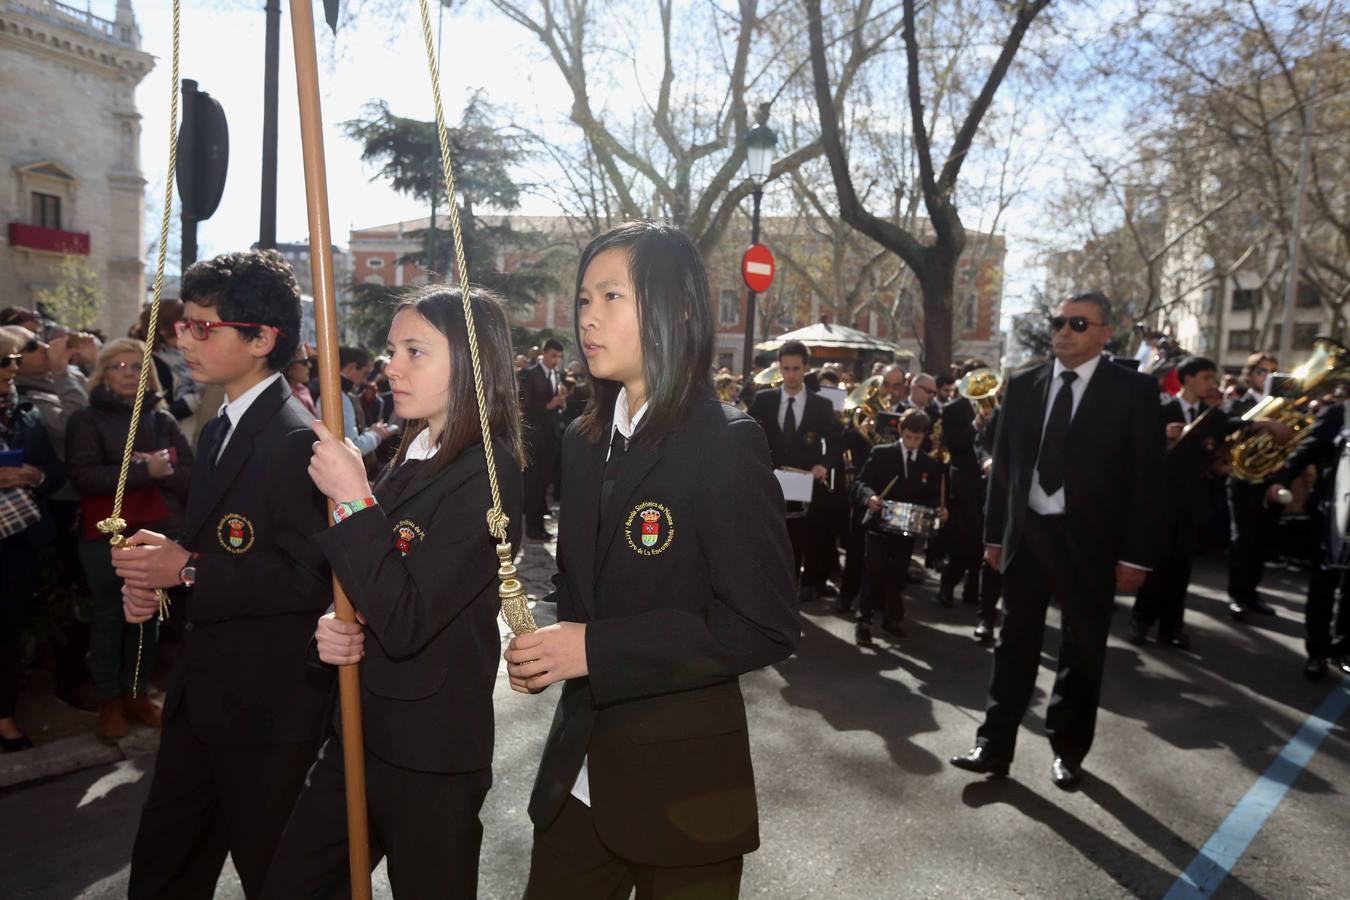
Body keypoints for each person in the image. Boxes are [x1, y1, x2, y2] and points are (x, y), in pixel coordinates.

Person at [504, 221, 799, 900]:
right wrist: (546, 641)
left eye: (612, 297)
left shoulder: (725, 443)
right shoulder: (583, 442)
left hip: (686, 797)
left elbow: (764, 624)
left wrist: (594, 650)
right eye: (583, 300)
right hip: (577, 781)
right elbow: (588, 598)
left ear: (678, 310)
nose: (589, 318)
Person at [262, 287, 524, 898]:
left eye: (415, 351)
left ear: (472, 361)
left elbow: (407, 616)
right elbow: (379, 580)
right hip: (360, 724)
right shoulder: (415, 452)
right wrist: (336, 621)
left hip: (429, 748)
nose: (392, 366)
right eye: (390, 350)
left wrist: (354, 499)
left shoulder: (489, 470)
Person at [111, 249, 334, 899]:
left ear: (263, 339)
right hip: (200, 699)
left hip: (268, 713)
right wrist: (163, 566)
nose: (185, 338)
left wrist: (192, 569)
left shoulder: (302, 441)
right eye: (185, 325)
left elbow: (311, 581)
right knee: (162, 871)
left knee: (278, 878)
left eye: (205, 328)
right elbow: (216, 548)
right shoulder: (217, 429)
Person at [951, 291, 1164, 790]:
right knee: (1013, 644)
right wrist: (993, 535)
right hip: (1029, 534)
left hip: (1091, 541)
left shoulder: (1132, 391)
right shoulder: (1024, 383)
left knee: (1082, 649)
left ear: (1105, 332)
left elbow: (1148, 481)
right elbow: (1004, 468)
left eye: (1078, 323)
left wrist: (1137, 555)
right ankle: (993, 746)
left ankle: (1069, 750)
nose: (1064, 331)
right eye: (1058, 322)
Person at [65, 339, 194, 741]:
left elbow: (191, 475)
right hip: (105, 531)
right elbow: (84, 477)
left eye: (136, 365)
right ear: (102, 372)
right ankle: (110, 700)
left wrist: (162, 471)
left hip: (157, 528)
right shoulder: (85, 420)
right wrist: (144, 471)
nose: (126, 371)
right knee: (109, 615)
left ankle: (137, 693)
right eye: (117, 364)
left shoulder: (162, 419)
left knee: (148, 616)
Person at [1128, 356, 1223, 650]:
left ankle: (1172, 627)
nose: (1211, 384)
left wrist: (1220, 464)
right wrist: (1164, 437)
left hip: (1192, 502)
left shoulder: (1213, 415)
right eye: (1206, 377)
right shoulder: (1161, 410)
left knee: (1182, 567)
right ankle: (1141, 620)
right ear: (1187, 379)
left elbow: (1215, 453)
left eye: (1212, 378)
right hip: (1160, 501)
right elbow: (1136, 449)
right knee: (1155, 563)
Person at [0, 326, 65, 753]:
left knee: (7, 630)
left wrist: (35, 476)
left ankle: (4, 715)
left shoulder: (27, 411)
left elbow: (55, 473)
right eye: (6, 361)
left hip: (16, 542)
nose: (13, 370)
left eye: (14, 362)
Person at [1266, 396, 1350, 680]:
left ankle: (1343, 647)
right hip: (1331, 514)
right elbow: (1305, 451)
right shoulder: (1339, 414)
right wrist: (1281, 479)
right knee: (1323, 583)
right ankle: (1318, 651)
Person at [749, 340, 837, 602]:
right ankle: (766, 596)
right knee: (767, 541)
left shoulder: (821, 405)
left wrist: (824, 464)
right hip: (769, 483)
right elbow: (746, 431)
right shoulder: (765, 399)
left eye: (796, 369)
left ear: (806, 368)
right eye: (786, 369)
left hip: (802, 485)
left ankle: (793, 595)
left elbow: (835, 441)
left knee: (797, 543)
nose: (790, 375)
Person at [852, 409, 945, 644]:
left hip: (906, 529)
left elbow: (932, 496)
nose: (912, 443)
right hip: (879, 525)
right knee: (873, 571)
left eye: (917, 439)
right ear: (902, 431)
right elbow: (861, 482)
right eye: (908, 437)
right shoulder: (882, 453)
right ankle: (864, 620)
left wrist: (940, 509)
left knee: (897, 574)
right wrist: (870, 497)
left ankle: (892, 619)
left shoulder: (928, 463)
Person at [1225, 351, 1287, 619]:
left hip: (1269, 482)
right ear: (1250, 375)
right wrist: (1260, 423)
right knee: (1244, 541)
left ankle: (1252, 593)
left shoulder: (1285, 405)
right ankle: (1237, 596)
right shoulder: (1239, 402)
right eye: (1261, 371)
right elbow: (1226, 428)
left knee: (1263, 541)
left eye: (1272, 372)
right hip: (1242, 481)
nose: (1267, 377)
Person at [520, 337, 566, 540]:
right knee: (533, 483)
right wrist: (550, 404)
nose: (556, 360)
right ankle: (532, 527)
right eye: (554, 356)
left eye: (559, 357)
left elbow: (556, 405)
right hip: (534, 437)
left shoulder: (557, 374)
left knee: (543, 483)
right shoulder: (529, 374)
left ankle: (539, 525)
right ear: (545, 353)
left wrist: (561, 402)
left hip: (551, 437)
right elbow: (526, 406)